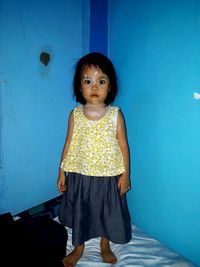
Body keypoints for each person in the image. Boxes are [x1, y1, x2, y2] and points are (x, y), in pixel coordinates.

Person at [57, 52, 132, 267]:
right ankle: (78, 247)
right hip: (80, 175)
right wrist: (61, 171)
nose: (94, 87)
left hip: (108, 176)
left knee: (106, 211)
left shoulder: (116, 114)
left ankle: (104, 244)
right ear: (79, 86)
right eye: (87, 81)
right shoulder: (75, 114)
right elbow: (68, 143)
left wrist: (126, 174)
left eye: (101, 81)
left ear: (110, 86)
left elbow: (124, 146)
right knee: (82, 211)